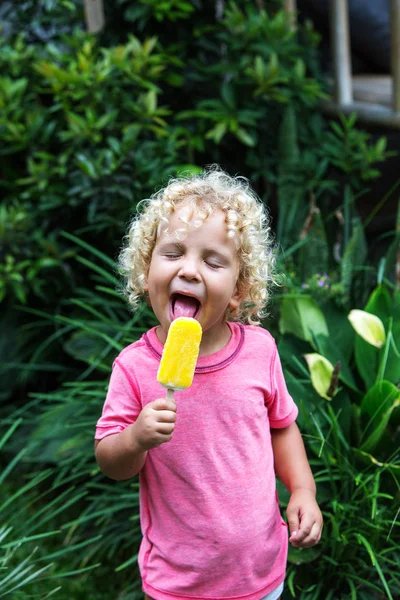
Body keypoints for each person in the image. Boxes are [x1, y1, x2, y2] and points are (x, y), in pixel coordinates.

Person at [94, 167, 323, 600]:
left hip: (259, 573)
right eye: (173, 253)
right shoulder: (133, 368)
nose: (190, 271)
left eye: (213, 261)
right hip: (179, 582)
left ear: (239, 289)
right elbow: (111, 463)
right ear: (145, 272)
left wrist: (303, 490)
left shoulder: (260, 351)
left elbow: (282, 426)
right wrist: (136, 439)